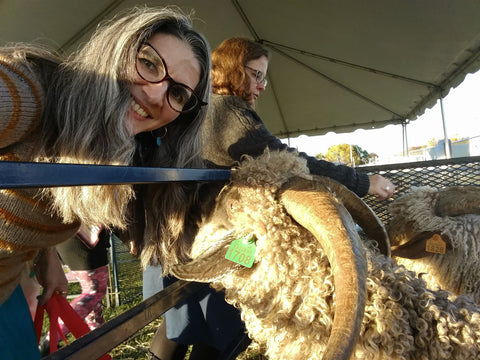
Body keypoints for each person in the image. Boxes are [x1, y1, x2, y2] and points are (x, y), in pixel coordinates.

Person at [145, 37, 396, 359]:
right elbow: (285, 159)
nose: (262, 85)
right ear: (234, 69)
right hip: (217, 240)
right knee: (223, 325)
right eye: (256, 74)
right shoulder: (226, 110)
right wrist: (364, 181)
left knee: (177, 322)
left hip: (175, 238)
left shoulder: (193, 109)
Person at [0, 6, 211, 359]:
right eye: (149, 62)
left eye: (178, 94)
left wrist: (44, 257)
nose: (157, 95)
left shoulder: (126, 152)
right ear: (118, 48)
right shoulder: (27, 92)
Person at [38, 225, 110, 355]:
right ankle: (50, 340)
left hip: (71, 236)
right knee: (94, 291)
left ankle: (97, 346)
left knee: (93, 301)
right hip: (83, 236)